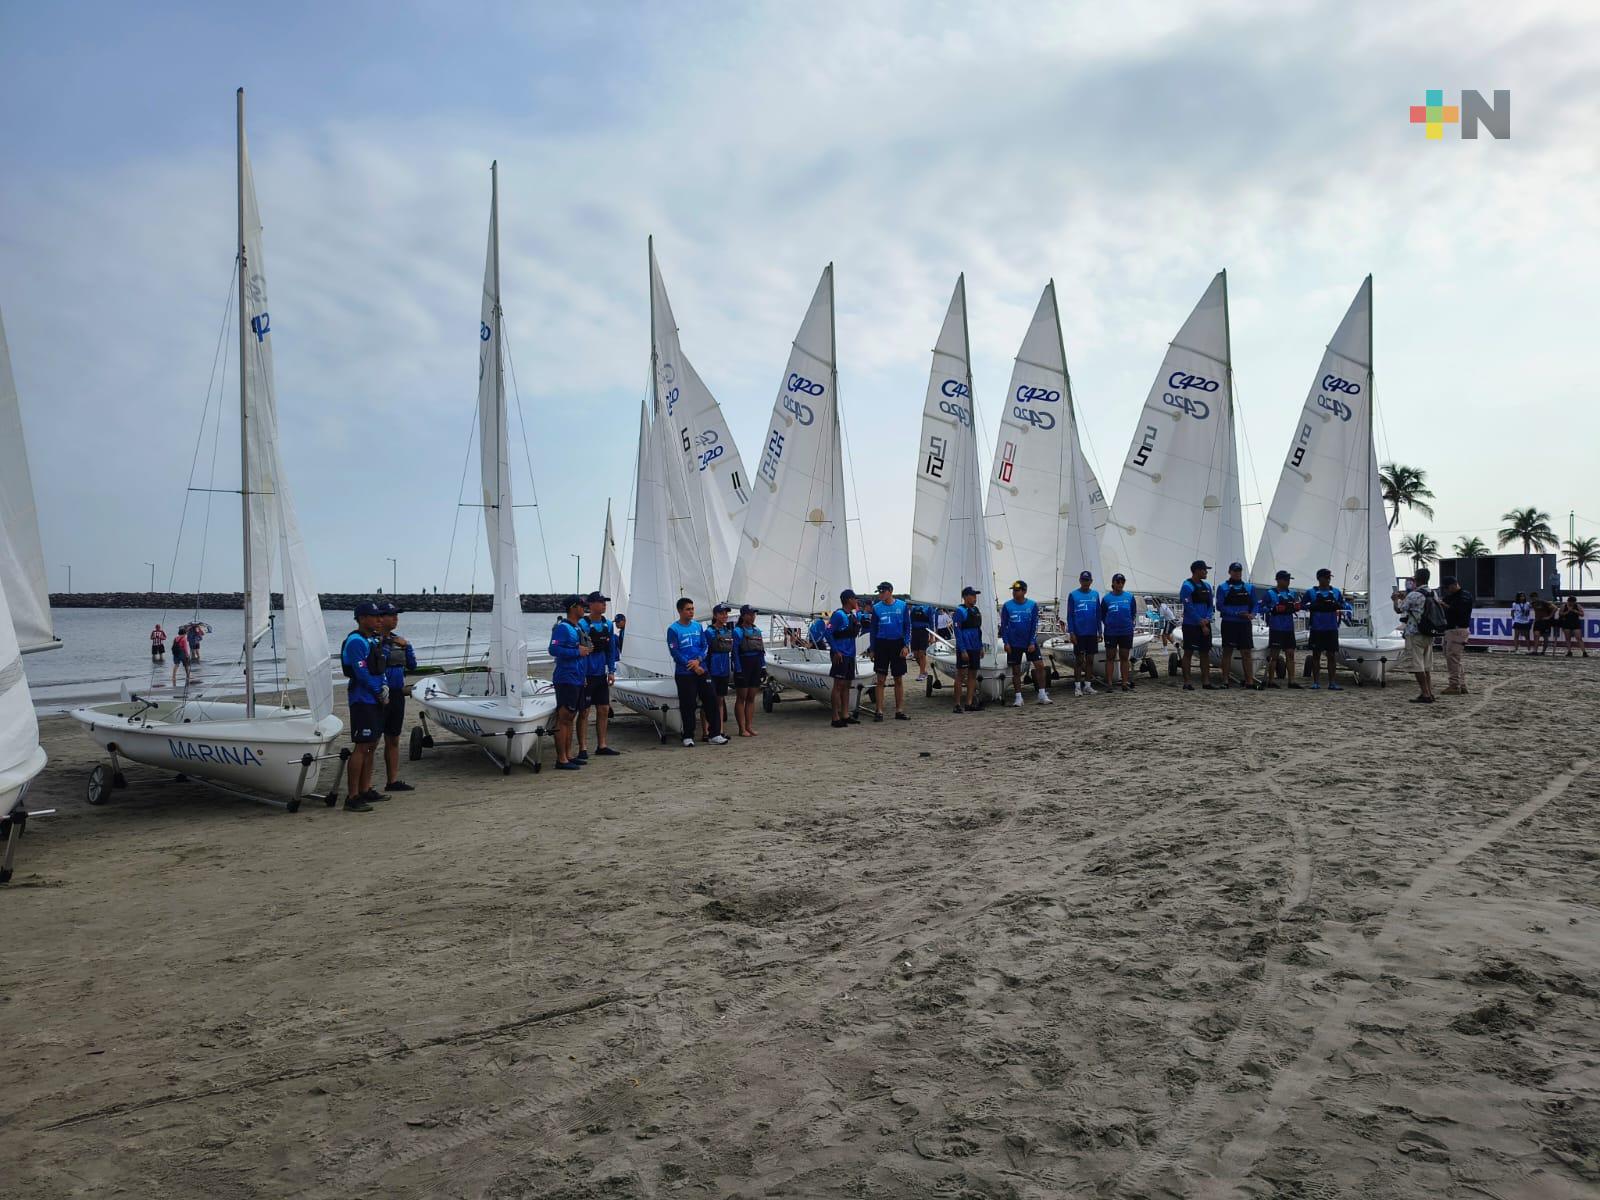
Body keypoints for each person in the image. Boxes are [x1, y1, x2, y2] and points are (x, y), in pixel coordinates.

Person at [340, 602, 389, 810]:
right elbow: (361, 674)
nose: (379, 620)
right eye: (374, 616)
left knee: (372, 745)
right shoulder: (355, 642)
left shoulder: (373, 639)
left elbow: (379, 668)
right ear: (361, 618)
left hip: (376, 699)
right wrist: (378, 691)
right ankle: (352, 797)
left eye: (380, 616)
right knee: (361, 746)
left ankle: (365, 788)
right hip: (362, 700)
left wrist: (385, 685)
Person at [668, 597, 727, 745]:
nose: (691, 612)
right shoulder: (673, 629)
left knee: (711, 700)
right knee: (688, 704)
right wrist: (693, 666)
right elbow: (675, 652)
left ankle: (715, 734)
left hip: (702, 669)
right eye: (688, 609)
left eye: (692, 609)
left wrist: (699, 660)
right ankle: (688, 736)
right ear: (680, 611)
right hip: (685, 673)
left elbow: (705, 646)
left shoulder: (698, 626)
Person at [375, 601, 418, 793]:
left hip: (397, 693)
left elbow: (413, 665)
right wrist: (386, 644)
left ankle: (392, 781)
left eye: (397, 615)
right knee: (372, 741)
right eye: (392, 615)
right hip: (378, 695)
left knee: (393, 738)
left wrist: (407, 646)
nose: (395, 619)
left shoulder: (400, 640)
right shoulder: (372, 641)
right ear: (380, 618)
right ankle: (364, 786)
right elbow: (377, 665)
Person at [548, 595, 593, 769]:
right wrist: (577, 651)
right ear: (573, 607)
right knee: (564, 717)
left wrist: (584, 675)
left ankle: (568, 755)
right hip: (566, 678)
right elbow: (553, 649)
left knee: (570, 718)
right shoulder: (563, 628)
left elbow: (582, 651)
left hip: (577, 677)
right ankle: (561, 759)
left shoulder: (577, 628)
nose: (584, 608)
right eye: (582, 606)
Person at [579, 591, 621, 757]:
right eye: (600, 602)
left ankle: (602, 745)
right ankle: (582, 748)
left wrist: (611, 671)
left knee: (603, 709)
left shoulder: (608, 625)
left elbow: (611, 650)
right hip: (586, 675)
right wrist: (580, 674)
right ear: (591, 604)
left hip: (601, 675)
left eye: (605, 602)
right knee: (584, 712)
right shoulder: (582, 624)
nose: (604, 604)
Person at [1000, 579, 1050, 706]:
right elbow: (1004, 626)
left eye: (1017, 590)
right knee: (1016, 671)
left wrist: (1032, 642)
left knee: (1040, 666)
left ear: (1024, 591)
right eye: (1013, 591)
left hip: (1029, 642)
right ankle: (1018, 697)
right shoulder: (1007, 606)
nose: (1014, 593)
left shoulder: (1032, 605)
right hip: (1014, 643)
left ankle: (1042, 694)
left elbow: (1034, 625)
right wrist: (1006, 642)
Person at [1392, 567, 1439, 703]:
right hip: (1429, 632)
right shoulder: (1432, 593)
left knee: (1417, 665)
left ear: (1416, 579)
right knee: (1426, 666)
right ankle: (1429, 692)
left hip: (1415, 632)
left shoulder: (1414, 595)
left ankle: (1425, 694)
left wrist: (1395, 600)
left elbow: (1399, 609)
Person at [867, 582, 912, 721]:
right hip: (882, 644)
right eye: (879, 591)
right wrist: (872, 648)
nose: (880, 594)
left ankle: (899, 711)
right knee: (880, 679)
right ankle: (879, 711)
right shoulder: (876, 608)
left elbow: (907, 627)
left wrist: (906, 645)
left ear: (890, 591)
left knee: (898, 678)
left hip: (897, 643)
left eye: (883, 591)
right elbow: (873, 630)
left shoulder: (902, 606)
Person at [1215, 562, 1261, 690]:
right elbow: (1220, 606)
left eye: (1239, 571)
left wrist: (1252, 614)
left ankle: (1249, 681)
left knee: (1246, 652)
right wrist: (1236, 613)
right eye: (1234, 571)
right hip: (1229, 623)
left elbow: (1255, 604)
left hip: (1244, 624)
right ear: (1230, 572)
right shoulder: (1223, 587)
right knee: (1227, 651)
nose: (1237, 573)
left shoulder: (1249, 587)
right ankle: (1225, 680)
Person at [1303, 568, 1349, 690]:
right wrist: (1312, 606)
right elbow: (1303, 605)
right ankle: (1316, 682)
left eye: (1329, 577)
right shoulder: (1311, 592)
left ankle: (1332, 683)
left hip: (1331, 628)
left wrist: (1338, 605)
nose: (1328, 579)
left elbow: (1343, 604)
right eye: (1326, 577)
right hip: (1316, 628)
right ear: (1319, 578)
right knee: (1316, 655)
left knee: (1331, 655)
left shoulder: (1336, 592)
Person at [1258, 571, 1302, 689]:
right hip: (1276, 628)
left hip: (1289, 628)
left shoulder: (1292, 593)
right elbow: (1259, 607)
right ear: (1279, 580)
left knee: (1290, 654)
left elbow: (1296, 605)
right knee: (1274, 655)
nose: (1288, 582)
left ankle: (1292, 681)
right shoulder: (1270, 593)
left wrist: (1297, 607)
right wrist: (1273, 609)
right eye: (1286, 579)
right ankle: (1271, 680)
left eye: (1289, 579)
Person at [826, 590, 862, 728]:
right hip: (840, 654)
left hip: (850, 654)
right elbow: (828, 632)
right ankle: (835, 717)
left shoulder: (851, 615)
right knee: (838, 685)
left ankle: (845, 715)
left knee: (847, 685)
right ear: (848, 600)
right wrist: (835, 650)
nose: (856, 601)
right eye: (854, 599)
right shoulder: (838, 615)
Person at [1178, 560, 1215, 691]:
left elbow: (1211, 605)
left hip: (1205, 623)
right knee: (1188, 652)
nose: (1206, 572)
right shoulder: (1187, 586)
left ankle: (1206, 681)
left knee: (1205, 653)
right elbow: (1188, 607)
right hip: (1191, 625)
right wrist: (1200, 621)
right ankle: (1187, 682)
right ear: (1197, 571)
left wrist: (1207, 619)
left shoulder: (1207, 586)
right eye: (1204, 570)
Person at [731, 604, 766, 736]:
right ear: (743, 615)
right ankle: (742, 728)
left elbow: (761, 651)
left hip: (755, 665)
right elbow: (734, 653)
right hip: (744, 665)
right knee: (742, 697)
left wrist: (763, 667)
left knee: (751, 697)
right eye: (750, 614)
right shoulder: (738, 631)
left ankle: (749, 726)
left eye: (754, 615)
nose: (752, 617)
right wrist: (738, 670)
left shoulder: (757, 630)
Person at [1100, 573, 1138, 693]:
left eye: (1122, 582)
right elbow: (1102, 615)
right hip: (1111, 632)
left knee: (1124, 657)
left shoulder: (1129, 597)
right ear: (1113, 584)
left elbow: (1133, 613)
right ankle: (1110, 684)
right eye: (1118, 582)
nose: (1120, 584)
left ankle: (1124, 683)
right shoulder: (1106, 599)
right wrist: (1109, 623)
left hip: (1126, 632)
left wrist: (1128, 623)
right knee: (1110, 657)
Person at [703, 603, 736, 737]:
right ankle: (706, 732)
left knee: (720, 700)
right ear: (715, 615)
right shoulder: (709, 632)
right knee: (708, 702)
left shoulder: (727, 631)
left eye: (726, 614)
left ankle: (720, 730)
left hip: (724, 671)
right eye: (722, 613)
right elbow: (704, 652)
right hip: (712, 671)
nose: (725, 616)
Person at [1065, 572, 1100, 696]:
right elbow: (1069, 615)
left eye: (1088, 580)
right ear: (1080, 580)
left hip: (1091, 632)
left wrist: (1099, 631)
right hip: (1079, 633)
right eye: (1083, 580)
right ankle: (1077, 687)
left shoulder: (1095, 594)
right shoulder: (1073, 595)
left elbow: (1098, 614)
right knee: (1079, 660)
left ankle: (1088, 686)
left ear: (1091, 581)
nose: (1085, 582)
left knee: (1090, 660)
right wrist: (1071, 633)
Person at [951, 586, 985, 713]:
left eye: (975, 596)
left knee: (972, 675)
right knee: (960, 675)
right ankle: (957, 704)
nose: (975, 598)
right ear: (965, 597)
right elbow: (957, 632)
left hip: (975, 646)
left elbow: (979, 630)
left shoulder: (976, 610)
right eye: (972, 595)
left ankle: (969, 703)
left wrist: (981, 647)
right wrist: (963, 649)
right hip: (965, 647)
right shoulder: (959, 611)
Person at [1440, 576, 1475, 694]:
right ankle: (1461, 684)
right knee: (1454, 659)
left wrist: (1444, 605)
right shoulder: (1456, 596)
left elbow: (1458, 611)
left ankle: (1454, 685)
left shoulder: (1464, 596)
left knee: (1453, 658)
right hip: (1455, 630)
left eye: (1447, 588)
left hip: (1457, 630)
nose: (1446, 590)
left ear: (1454, 585)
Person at [909, 601, 933, 681]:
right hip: (915, 632)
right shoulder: (913, 607)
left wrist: (931, 636)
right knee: (916, 655)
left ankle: (921, 673)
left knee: (922, 653)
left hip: (924, 631)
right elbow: (910, 621)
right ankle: (924, 671)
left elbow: (931, 622)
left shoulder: (928, 607)